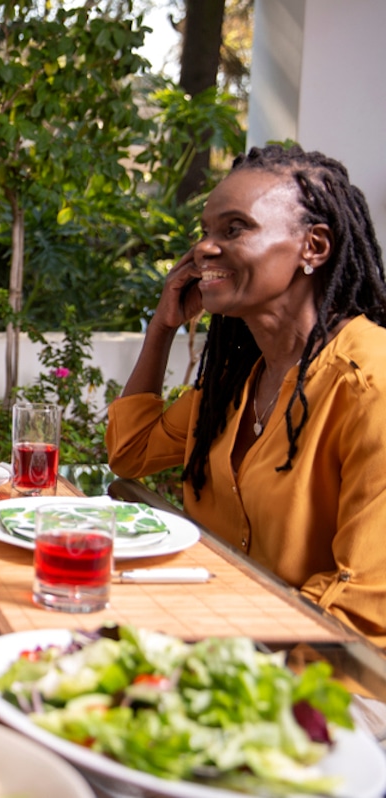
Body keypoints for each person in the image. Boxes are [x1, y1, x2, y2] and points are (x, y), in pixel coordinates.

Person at [106, 144, 386, 645]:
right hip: (222, 637)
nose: (204, 250)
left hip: (331, 676)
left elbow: (362, 606)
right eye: (205, 232)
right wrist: (161, 328)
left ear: (314, 248)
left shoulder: (370, 382)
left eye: (234, 229)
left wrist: (209, 650)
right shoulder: (235, 381)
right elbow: (131, 454)